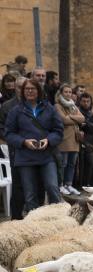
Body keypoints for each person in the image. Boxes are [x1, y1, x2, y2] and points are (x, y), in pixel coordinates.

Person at [4, 79, 63, 212]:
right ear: (23, 92)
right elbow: (9, 134)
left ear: (39, 90)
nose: (30, 91)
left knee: (52, 187)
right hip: (25, 157)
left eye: (33, 88)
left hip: (46, 156)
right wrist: (23, 142)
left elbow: (58, 131)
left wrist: (48, 140)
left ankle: (58, 217)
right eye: (27, 89)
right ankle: (34, 225)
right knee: (30, 195)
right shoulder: (16, 111)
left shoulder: (49, 108)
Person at [0, 76, 30, 218]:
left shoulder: (36, 104)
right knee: (18, 184)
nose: (22, 90)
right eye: (19, 87)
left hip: (35, 151)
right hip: (16, 149)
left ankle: (32, 214)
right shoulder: (7, 106)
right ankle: (16, 217)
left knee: (33, 184)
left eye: (25, 86)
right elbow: (1, 127)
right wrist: (15, 139)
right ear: (14, 88)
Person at [54, 84, 85, 195]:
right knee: (63, 163)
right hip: (64, 139)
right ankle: (60, 185)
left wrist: (71, 117)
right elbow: (63, 120)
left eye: (70, 92)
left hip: (75, 139)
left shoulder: (73, 106)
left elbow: (82, 118)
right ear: (61, 93)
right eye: (66, 92)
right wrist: (75, 119)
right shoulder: (58, 106)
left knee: (72, 164)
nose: (68, 94)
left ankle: (69, 184)